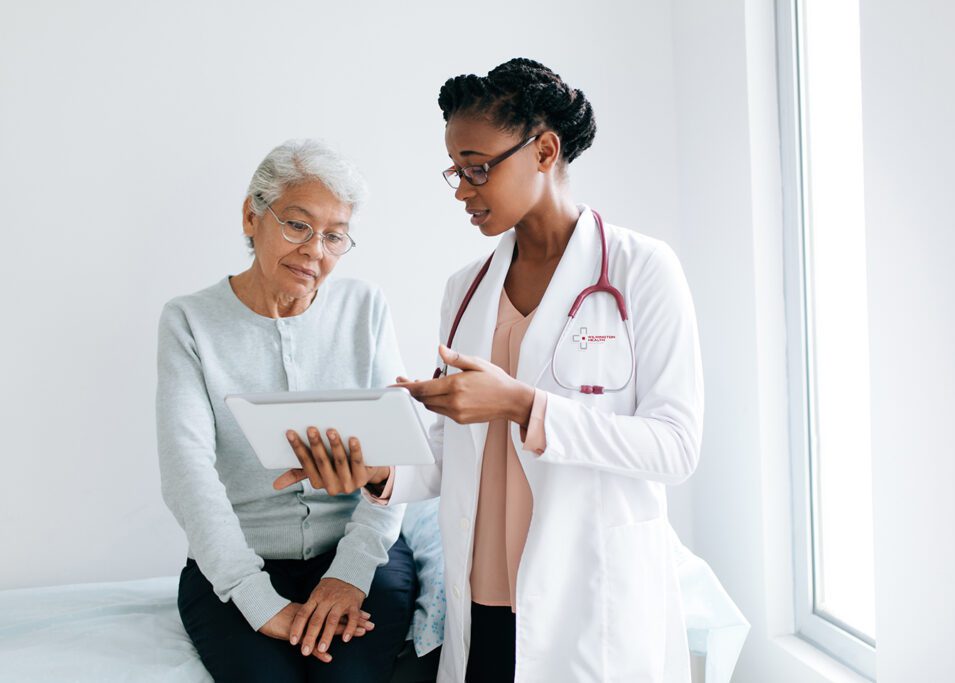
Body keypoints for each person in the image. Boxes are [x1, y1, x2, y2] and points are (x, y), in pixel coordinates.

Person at [275, 59, 705, 682]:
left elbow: (676, 447)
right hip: (484, 595)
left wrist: (522, 405)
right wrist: (376, 471)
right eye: (455, 171)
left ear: (545, 150)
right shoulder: (465, 289)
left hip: (590, 595)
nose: (461, 189)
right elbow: (454, 454)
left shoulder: (643, 270)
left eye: (478, 167)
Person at [157, 139, 416, 682]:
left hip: (360, 552)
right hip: (236, 562)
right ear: (252, 216)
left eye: (334, 236)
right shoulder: (189, 321)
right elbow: (187, 473)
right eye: (298, 225)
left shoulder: (364, 307)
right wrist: (256, 598)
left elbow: (399, 456)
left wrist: (349, 572)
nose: (315, 251)